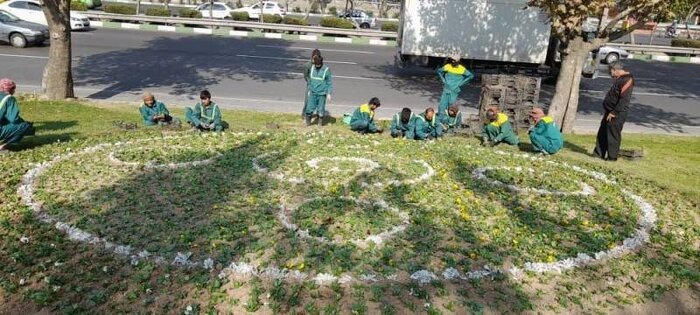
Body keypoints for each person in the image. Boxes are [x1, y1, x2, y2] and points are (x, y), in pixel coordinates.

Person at [594, 62, 634, 161]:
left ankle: (612, 157)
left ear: (615, 70)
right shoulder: (620, 79)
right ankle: (598, 154)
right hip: (609, 111)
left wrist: (614, 112)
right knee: (602, 132)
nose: (610, 73)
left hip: (617, 113)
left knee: (613, 134)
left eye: (610, 71)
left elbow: (624, 100)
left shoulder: (628, 79)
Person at [0, 78, 34, 153]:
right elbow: (13, 118)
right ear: (10, 89)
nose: (14, 91)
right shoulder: (9, 98)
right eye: (13, 89)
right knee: (25, 126)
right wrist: (26, 124)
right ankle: (2, 146)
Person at [304, 56, 333, 127]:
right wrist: (309, 90)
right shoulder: (312, 68)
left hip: (322, 94)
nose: (317, 67)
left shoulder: (326, 70)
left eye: (318, 65)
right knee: (309, 108)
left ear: (321, 63)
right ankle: (308, 122)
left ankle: (320, 123)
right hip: (313, 93)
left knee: (320, 109)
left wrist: (329, 93)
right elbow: (310, 81)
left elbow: (329, 82)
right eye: (316, 65)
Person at [302, 49, 322, 118]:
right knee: (307, 101)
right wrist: (310, 83)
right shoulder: (307, 65)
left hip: (319, 86)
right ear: (312, 57)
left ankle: (318, 115)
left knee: (318, 101)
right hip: (310, 85)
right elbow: (305, 76)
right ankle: (304, 114)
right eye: (314, 58)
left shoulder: (320, 64)